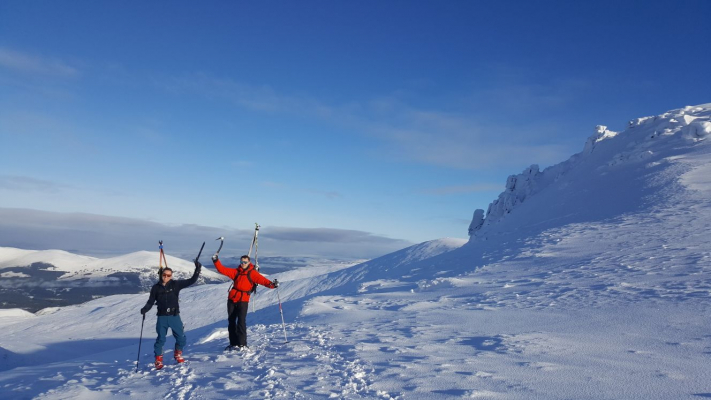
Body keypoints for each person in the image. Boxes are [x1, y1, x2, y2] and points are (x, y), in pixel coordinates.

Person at [140, 261, 201, 369]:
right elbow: (151, 301)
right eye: (164, 275)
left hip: (174, 316)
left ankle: (178, 353)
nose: (166, 277)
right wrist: (145, 309)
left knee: (181, 338)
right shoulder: (156, 288)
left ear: (171, 276)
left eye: (168, 275)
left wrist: (197, 269)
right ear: (161, 275)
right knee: (161, 339)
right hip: (162, 317)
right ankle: (158, 359)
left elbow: (192, 281)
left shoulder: (176, 284)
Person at [212, 253, 278, 351]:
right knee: (231, 321)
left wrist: (272, 285)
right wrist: (216, 261)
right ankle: (233, 343)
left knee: (241, 321)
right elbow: (222, 270)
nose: (243, 264)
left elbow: (262, 280)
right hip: (232, 298)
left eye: (245, 262)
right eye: (241, 262)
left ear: (249, 262)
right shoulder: (236, 272)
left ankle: (242, 344)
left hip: (243, 300)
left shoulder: (252, 273)